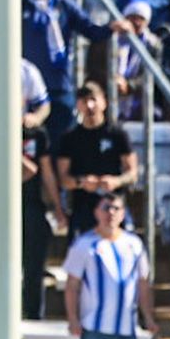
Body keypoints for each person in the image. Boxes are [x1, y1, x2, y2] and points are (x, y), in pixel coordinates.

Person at [22, 0, 119, 145]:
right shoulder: (19, 8)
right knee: (31, 143)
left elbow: (92, 31)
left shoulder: (65, 6)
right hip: (30, 88)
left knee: (62, 142)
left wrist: (112, 27)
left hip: (59, 85)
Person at [62, 192, 156, 339]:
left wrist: (149, 317)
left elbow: (142, 283)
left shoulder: (134, 244)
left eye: (116, 208)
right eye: (106, 208)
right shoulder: (84, 244)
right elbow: (72, 286)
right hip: (95, 329)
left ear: (123, 214)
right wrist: (73, 319)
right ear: (96, 212)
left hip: (127, 330)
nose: (111, 213)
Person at [54, 82, 136, 238]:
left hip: (113, 205)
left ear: (104, 102)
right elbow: (63, 178)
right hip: (84, 207)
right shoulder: (70, 139)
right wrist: (82, 182)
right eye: (84, 101)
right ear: (78, 105)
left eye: (93, 100)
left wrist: (116, 181)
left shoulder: (118, 135)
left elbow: (132, 172)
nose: (90, 106)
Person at [21, 110, 64, 320]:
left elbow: (43, 171)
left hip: (33, 204)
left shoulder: (36, 133)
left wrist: (57, 207)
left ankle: (33, 314)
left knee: (34, 266)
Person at [112, 0, 160, 125]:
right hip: (113, 91)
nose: (137, 23)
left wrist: (129, 86)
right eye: (132, 18)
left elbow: (152, 73)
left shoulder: (153, 44)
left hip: (138, 97)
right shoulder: (112, 39)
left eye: (141, 19)